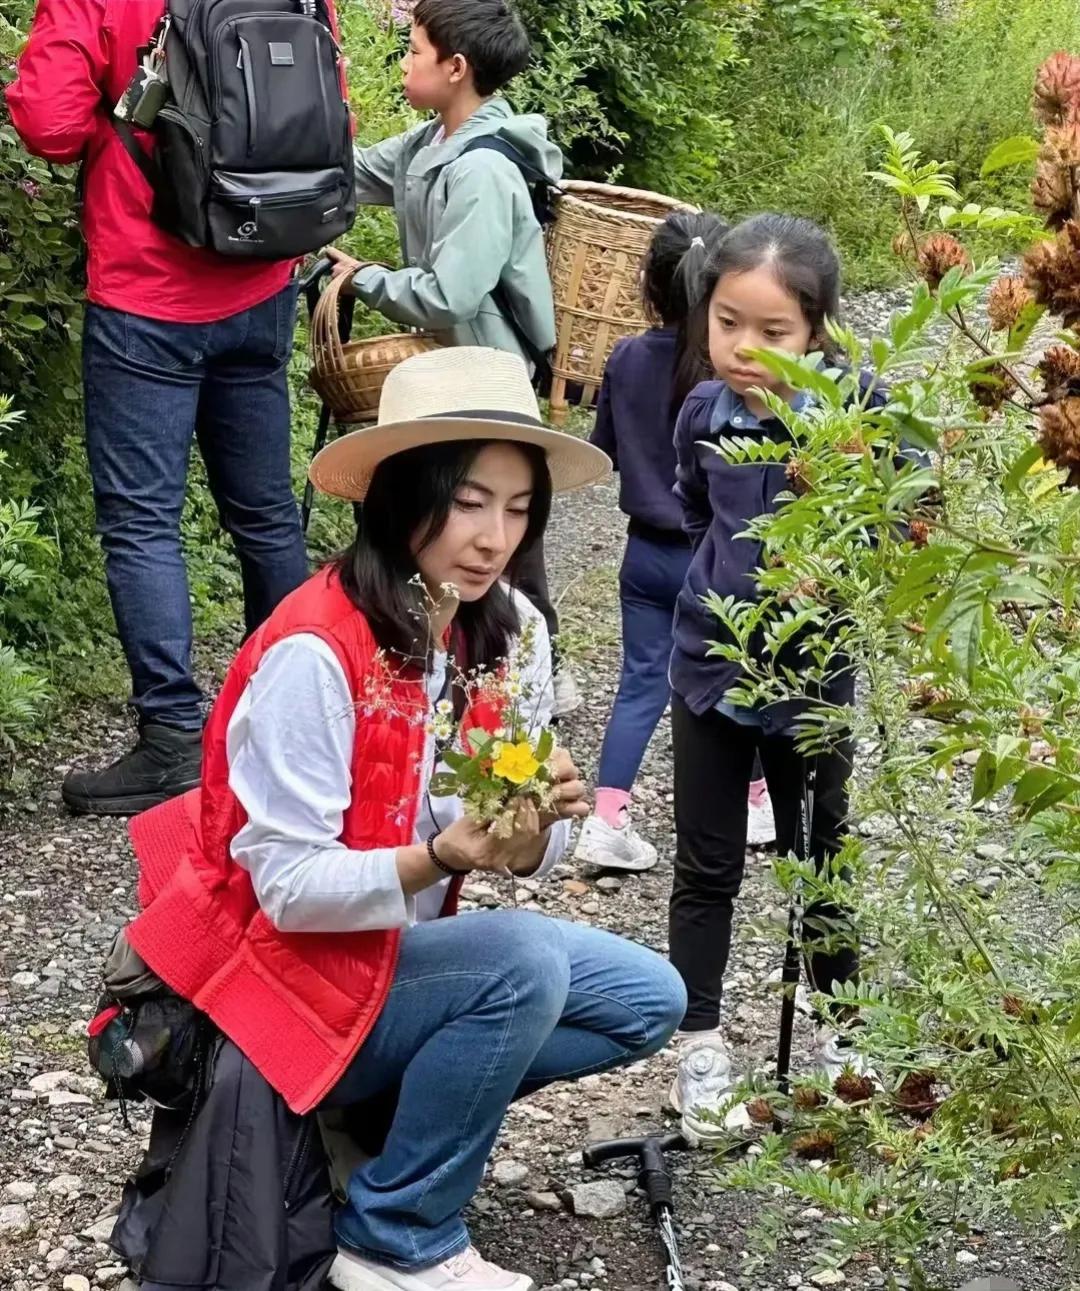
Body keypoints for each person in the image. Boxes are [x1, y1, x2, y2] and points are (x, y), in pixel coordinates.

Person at [120, 347, 687, 1291]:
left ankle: (389, 1128)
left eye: (517, 508)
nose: (493, 536)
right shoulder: (315, 649)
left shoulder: (508, 628)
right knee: (525, 960)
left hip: (394, 964)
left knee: (647, 1000)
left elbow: (517, 851)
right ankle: (397, 1232)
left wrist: (531, 830)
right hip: (273, 982)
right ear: (398, 494)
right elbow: (290, 894)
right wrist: (433, 858)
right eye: (467, 501)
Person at [6, 0, 324, 816]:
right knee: (264, 513)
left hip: (148, 291)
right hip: (262, 275)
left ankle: (174, 738)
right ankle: (294, 722)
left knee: (144, 522)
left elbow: (47, 122)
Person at [666, 215, 880, 1145]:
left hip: (815, 674)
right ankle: (702, 1049)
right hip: (710, 662)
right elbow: (691, 507)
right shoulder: (701, 414)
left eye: (774, 332)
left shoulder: (857, 413)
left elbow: (899, 524)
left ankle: (841, 1036)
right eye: (726, 322)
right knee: (706, 864)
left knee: (820, 856)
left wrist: (835, 563)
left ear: (819, 328)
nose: (744, 349)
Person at [325, 0, 578, 715]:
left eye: (413, 48)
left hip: (490, 375)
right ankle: (441, 664)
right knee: (442, 517)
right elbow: (354, 171)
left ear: (455, 67)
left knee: (497, 525)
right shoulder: (431, 143)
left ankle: (538, 673)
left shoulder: (483, 173)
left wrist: (361, 279)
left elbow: (450, 292)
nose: (404, 60)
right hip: (448, 375)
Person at [571, 211, 725, 873]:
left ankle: (607, 819)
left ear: (650, 288)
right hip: (714, 554)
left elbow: (601, 450)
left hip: (643, 555)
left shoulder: (629, 356)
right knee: (732, 677)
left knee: (640, 683)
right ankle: (747, 800)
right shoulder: (731, 372)